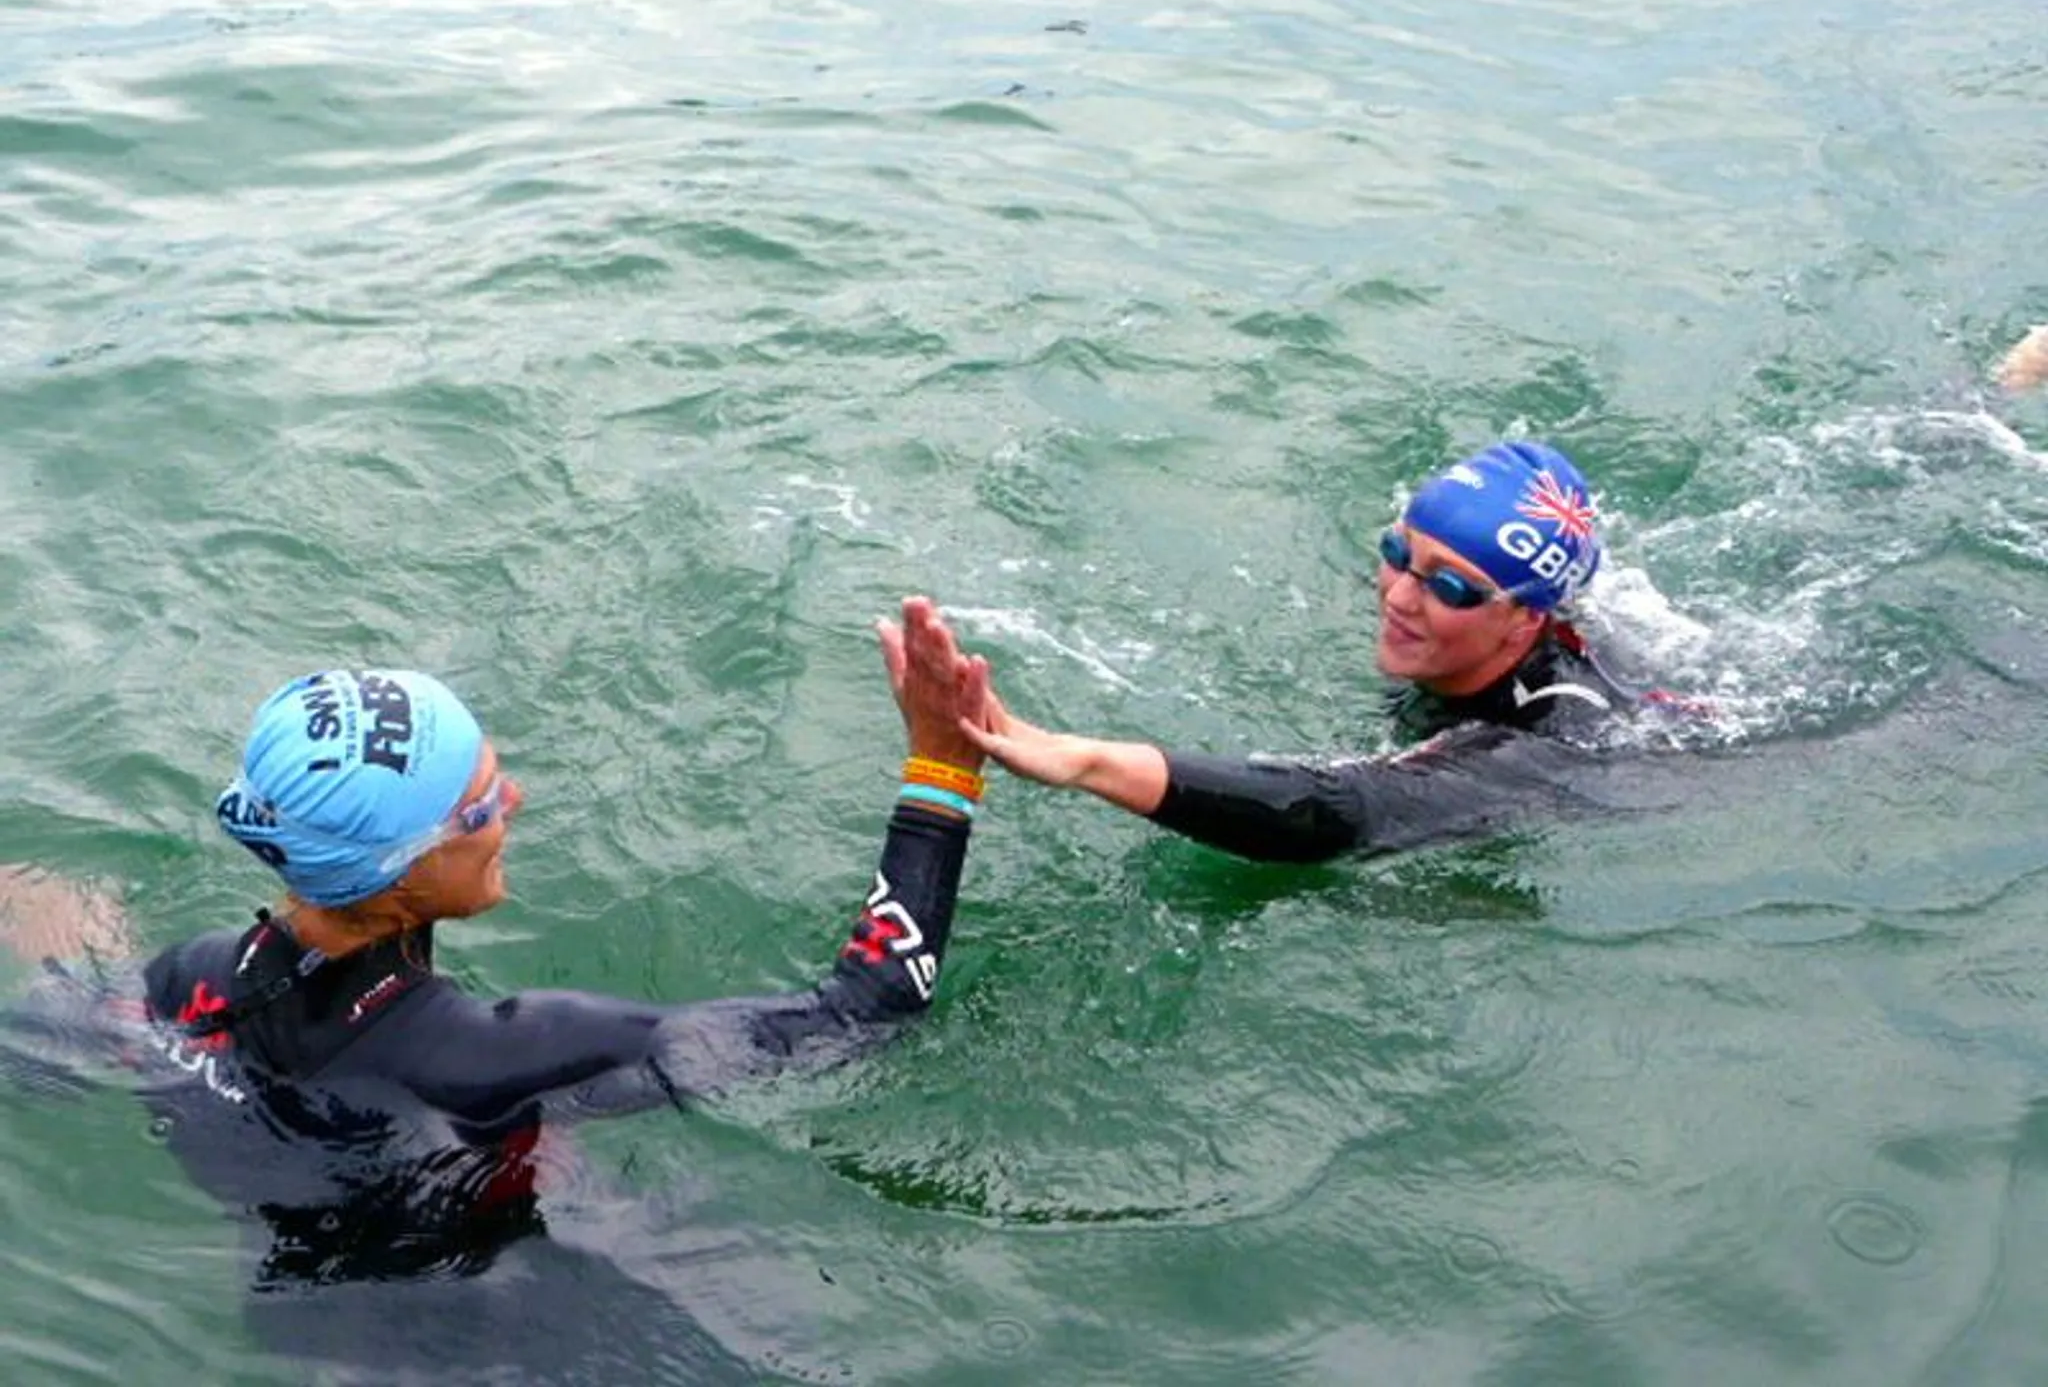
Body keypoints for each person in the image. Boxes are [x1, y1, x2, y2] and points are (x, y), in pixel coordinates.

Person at [0, 597, 993, 1298]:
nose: (509, 800)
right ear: (401, 872)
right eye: (479, 804)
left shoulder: (189, 979)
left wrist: (71, 955)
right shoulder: (501, 1056)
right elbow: (865, 1011)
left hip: (308, 1335)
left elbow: (63, 1043)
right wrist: (940, 773)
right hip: (504, 1339)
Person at [940, 440, 1685, 865]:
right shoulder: (1452, 627)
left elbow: (1339, 811)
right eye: (1399, 554)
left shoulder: (1551, 735)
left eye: (1449, 587)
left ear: (1524, 622)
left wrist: (1086, 763)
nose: (1398, 597)